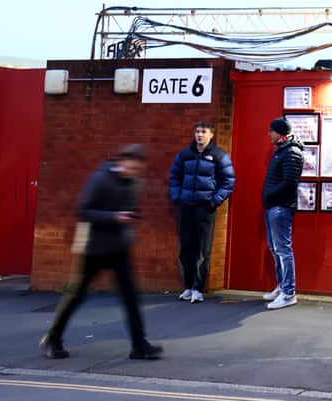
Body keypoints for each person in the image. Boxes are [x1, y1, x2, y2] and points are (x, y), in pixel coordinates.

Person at [40, 144, 164, 361]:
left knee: (131, 298)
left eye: (137, 170)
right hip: (95, 248)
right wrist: (114, 216)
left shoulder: (134, 182)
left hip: (119, 247)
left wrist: (129, 216)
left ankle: (139, 345)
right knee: (77, 296)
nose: (133, 173)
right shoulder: (100, 179)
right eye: (131, 168)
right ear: (121, 161)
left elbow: (127, 209)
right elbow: (83, 210)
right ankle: (53, 339)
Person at [168, 120, 236, 303]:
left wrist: (214, 201)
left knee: (202, 249)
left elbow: (229, 181)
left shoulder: (219, 156)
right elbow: (174, 177)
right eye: (197, 131)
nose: (200, 135)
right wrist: (177, 198)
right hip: (186, 206)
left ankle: (198, 288)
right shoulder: (184, 155)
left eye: (204, 132)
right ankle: (188, 287)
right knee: (186, 248)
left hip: (205, 208)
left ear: (211, 135)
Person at [261, 117, 304, 310]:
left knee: (283, 250)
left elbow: (289, 182)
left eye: (272, 131)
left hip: (281, 207)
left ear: (280, 133)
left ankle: (289, 293)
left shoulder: (291, 153)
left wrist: (270, 194)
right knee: (275, 249)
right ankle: (282, 285)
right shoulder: (281, 151)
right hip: (273, 207)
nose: (269, 134)